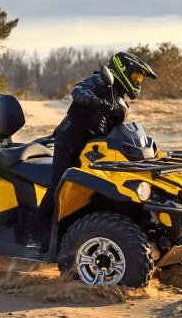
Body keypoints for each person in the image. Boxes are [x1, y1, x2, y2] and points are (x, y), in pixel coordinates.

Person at [23, 51, 158, 249]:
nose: (138, 81)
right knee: (59, 184)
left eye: (139, 78)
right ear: (122, 69)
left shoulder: (119, 98)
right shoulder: (100, 81)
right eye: (136, 76)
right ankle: (36, 235)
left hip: (92, 148)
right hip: (69, 141)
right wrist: (92, 100)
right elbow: (78, 90)